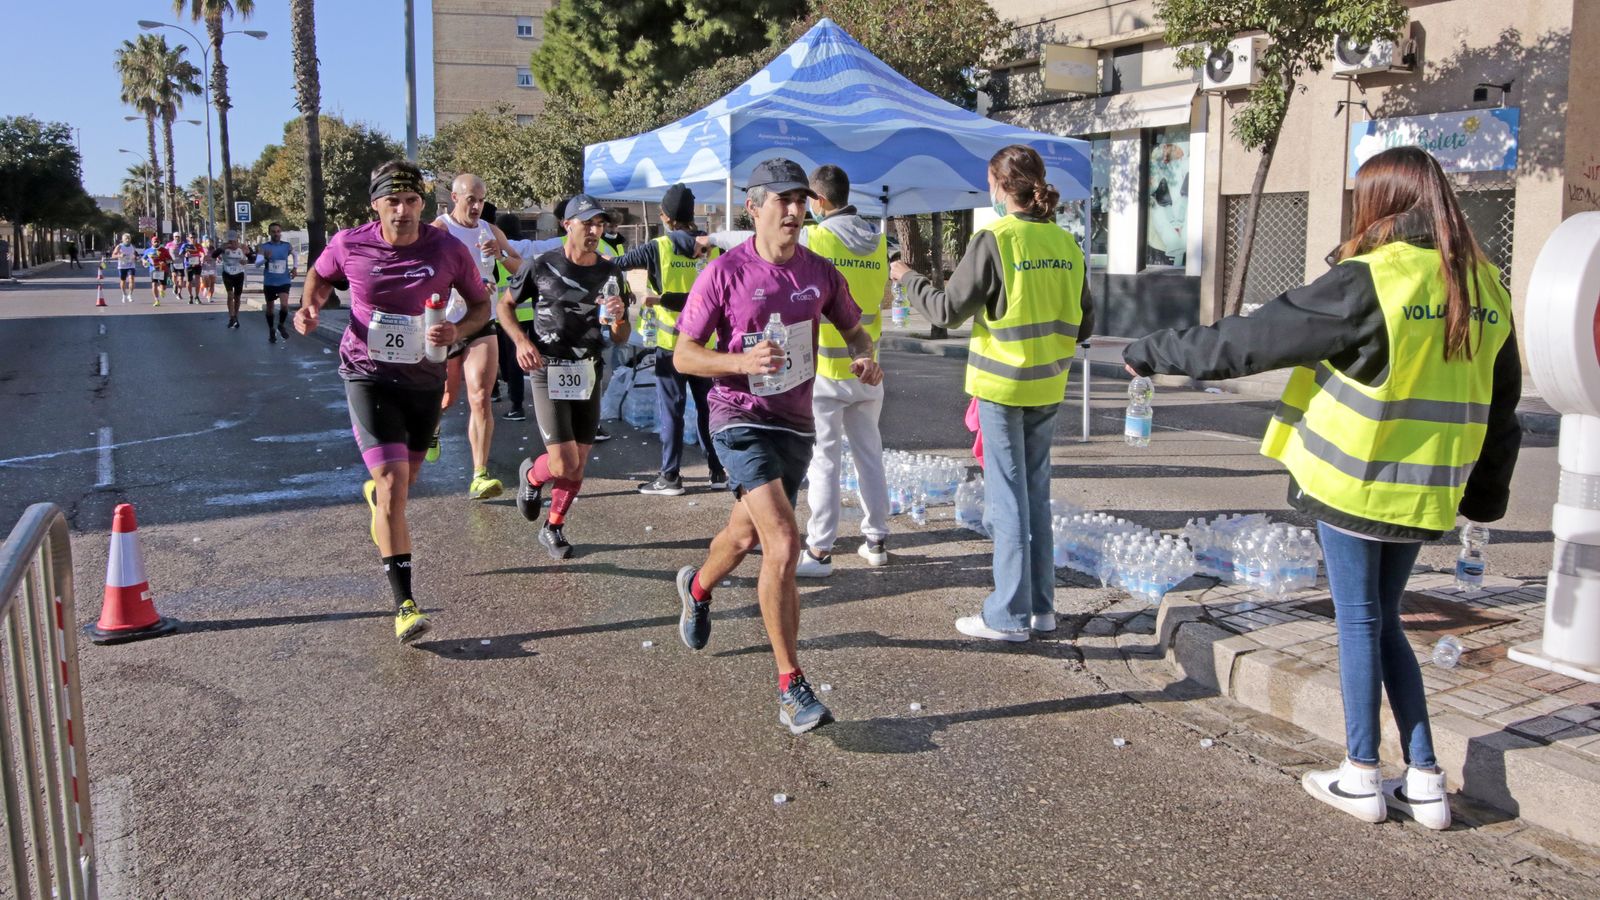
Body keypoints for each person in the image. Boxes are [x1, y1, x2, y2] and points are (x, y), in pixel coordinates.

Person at [1123, 146, 1521, 830]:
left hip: (1355, 479)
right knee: (1383, 619)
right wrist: (1483, 501)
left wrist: (1151, 350)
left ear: (1381, 203)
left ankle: (1361, 773)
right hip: (1426, 492)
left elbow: (1249, 341)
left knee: (1360, 619)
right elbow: (1502, 407)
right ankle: (1424, 778)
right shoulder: (1485, 286)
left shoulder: (1372, 279)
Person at [671, 158, 880, 735]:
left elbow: (854, 329)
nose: (793, 210)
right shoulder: (724, 273)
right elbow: (684, 355)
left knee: (744, 536)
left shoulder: (819, 271)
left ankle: (697, 586)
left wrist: (864, 357)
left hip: (795, 423)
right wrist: (740, 362)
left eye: (800, 200)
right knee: (784, 542)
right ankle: (792, 686)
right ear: (753, 207)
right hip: (738, 418)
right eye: (782, 200)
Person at [890, 144, 1093, 642]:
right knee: (1035, 495)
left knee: (1008, 501)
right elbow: (1086, 321)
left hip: (1003, 386)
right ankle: (1041, 609)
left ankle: (1007, 616)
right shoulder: (1066, 243)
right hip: (1049, 384)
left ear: (1001, 187)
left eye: (989, 184)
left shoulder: (996, 239)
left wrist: (907, 276)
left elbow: (945, 311)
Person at [294, 159, 492, 642]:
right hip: (367, 374)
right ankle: (405, 603)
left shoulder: (446, 249)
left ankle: (380, 499)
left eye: (411, 201)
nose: (402, 211)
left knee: (406, 482)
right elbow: (319, 275)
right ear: (375, 205)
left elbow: (481, 305)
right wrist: (309, 307)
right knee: (392, 482)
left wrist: (457, 330)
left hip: (423, 379)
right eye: (393, 202)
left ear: (423, 204)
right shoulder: (349, 243)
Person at [501, 194, 631, 560]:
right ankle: (532, 476)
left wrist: (619, 318)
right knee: (561, 463)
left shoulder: (610, 273)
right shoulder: (541, 265)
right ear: (567, 225)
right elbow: (505, 305)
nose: (595, 231)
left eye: (600, 225)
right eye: (587, 223)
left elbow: (621, 337)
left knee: (580, 461)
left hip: (588, 369)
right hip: (548, 369)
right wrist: (521, 341)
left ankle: (553, 526)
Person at [614, 183, 727, 495]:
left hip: (671, 347)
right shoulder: (714, 248)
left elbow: (617, 264)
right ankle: (718, 472)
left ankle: (670, 476)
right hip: (706, 347)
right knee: (708, 409)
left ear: (665, 216)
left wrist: (656, 298)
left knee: (671, 412)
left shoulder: (657, 248)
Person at [429, 173, 520, 498]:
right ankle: (431, 426)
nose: (477, 207)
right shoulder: (439, 230)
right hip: (447, 323)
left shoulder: (490, 231)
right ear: (454, 198)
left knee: (480, 397)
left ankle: (479, 474)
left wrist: (501, 256)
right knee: (446, 397)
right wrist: (462, 284)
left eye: (481, 201)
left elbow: (521, 269)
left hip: (482, 320)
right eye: (471, 200)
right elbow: (423, 273)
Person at [257, 222, 299, 345]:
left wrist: (295, 268)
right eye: (273, 232)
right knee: (270, 308)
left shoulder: (286, 246)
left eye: (278, 231)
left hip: (284, 280)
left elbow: (295, 255)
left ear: (281, 233)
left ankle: (281, 325)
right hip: (269, 281)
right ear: (269, 233)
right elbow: (257, 264)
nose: (276, 234)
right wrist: (266, 258)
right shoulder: (264, 247)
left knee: (284, 305)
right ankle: (271, 329)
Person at [214, 231, 252, 328]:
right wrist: (221, 249)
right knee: (230, 295)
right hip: (227, 274)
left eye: (234, 241)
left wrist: (246, 261)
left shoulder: (242, 247)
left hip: (239, 274)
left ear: (237, 240)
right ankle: (231, 317)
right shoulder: (224, 247)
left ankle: (236, 317)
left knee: (237, 297)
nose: (232, 244)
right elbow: (213, 255)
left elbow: (252, 258)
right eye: (230, 241)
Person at [143, 236, 174, 306]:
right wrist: (145, 262)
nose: (156, 243)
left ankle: (160, 290)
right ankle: (156, 300)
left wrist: (164, 262)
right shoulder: (148, 250)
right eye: (155, 242)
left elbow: (170, 260)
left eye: (158, 242)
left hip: (163, 270)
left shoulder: (164, 250)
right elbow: (143, 259)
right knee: (154, 284)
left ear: (160, 242)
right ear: (152, 243)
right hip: (153, 270)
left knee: (164, 287)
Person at [112, 233, 140, 303]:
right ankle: (124, 294)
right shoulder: (119, 246)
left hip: (131, 265)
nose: (127, 240)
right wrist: (119, 256)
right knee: (123, 281)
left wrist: (135, 258)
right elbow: (113, 255)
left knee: (132, 279)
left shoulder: (132, 246)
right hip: (122, 266)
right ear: (123, 240)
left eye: (128, 238)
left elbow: (136, 256)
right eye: (126, 239)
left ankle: (130, 295)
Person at [182, 234, 206, 304]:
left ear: (196, 238)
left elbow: (202, 253)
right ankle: (190, 296)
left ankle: (197, 297)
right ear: (188, 238)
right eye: (191, 237)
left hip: (197, 264)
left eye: (194, 237)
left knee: (197, 280)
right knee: (189, 281)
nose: (193, 239)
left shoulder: (199, 245)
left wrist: (202, 257)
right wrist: (185, 254)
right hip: (188, 265)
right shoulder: (185, 245)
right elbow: (181, 253)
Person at [198, 238, 217, 303]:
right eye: (208, 242)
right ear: (205, 242)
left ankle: (209, 297)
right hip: (205, 268)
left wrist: (217, 258)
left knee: (212, 283)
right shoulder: (202, 249)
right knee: (206, 284)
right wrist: (203, 258)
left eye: (210, 242)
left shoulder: (214, 249)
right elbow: (199, 258)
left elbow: (217, 257)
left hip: (213, 268)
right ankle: (205, 288)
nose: (209, 243)